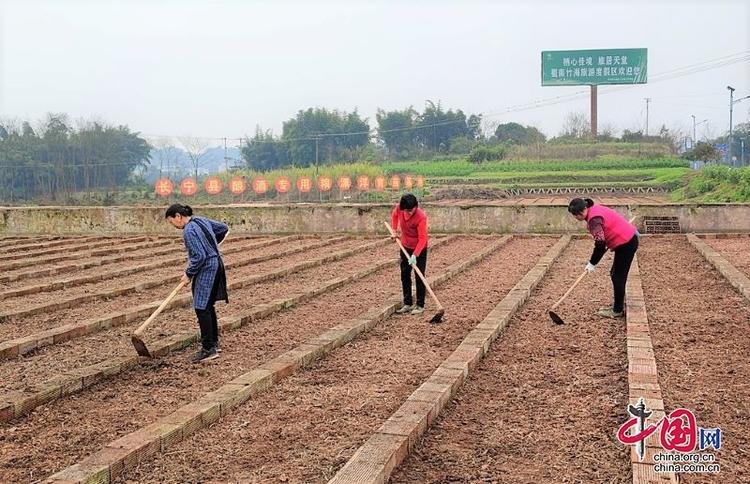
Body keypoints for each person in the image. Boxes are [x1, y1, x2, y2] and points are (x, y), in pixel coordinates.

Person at [165, 204, 229, 363]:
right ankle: (213, 343)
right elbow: (223, 228)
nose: (173, 225)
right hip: (217, 264)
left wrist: (188, 274)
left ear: (178, 216)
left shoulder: (189, 231)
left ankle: (208, 349)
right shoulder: (200, 221)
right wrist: (212, 246)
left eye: (172, 221)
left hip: (208, 268)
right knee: (208, 306)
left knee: (201, 307)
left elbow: (199, 256)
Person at [568, 197, 638, 319]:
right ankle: (618, 305)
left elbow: (600, 244)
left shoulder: (594, 220)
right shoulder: (595, 209)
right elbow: (605, 232)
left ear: (579, 213)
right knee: (615, 274)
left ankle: (617, 310)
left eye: (575, 215)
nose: (575, 218)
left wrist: (592, 263)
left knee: (618, 277)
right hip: (628, 239)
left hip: (627, 243)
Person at [391, 193, 429, 315]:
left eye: (411, 210)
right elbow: (394, 215)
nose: (409, 213)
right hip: (405, 246)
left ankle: (420, 305)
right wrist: (394, 230)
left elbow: (423, 239)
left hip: (419, 248)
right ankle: (407, 303)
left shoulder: (421, 217)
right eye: (407, 210)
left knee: (419, 276)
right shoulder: (400, 208)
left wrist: (415, 255)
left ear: (415, 207)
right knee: (405, 274)